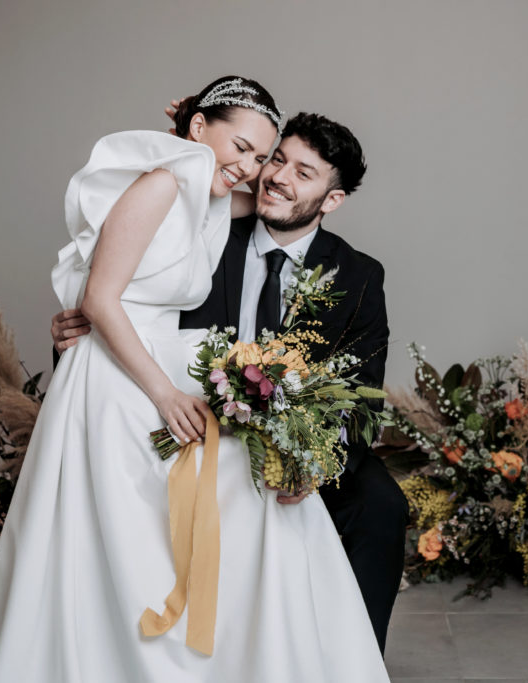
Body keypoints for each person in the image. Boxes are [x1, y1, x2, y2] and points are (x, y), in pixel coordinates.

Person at [0, 76, 389, 683]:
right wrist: (192, 137)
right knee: (130, 535)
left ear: (332, 198)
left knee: (272, 504)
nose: (262, 172)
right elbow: (103, 298)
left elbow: (361, 382)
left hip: (173, 374)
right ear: (203, 129)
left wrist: (195, 137)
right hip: (137, 380)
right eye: (255, 153)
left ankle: (263, 657)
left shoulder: (245, 212)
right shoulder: (169, 188)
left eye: (268, 159)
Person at [52, 110, 409, 654]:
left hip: (294, 443)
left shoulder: (359, 276)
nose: (278, 177)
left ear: (332, 200)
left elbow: (362, 395)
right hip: (186, 425)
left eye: (304, 173)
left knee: (381, 504)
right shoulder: (202, 230)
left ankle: (346, 662)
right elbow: (112, 300)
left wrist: (312, 462)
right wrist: (67, 338)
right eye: (277, 159)